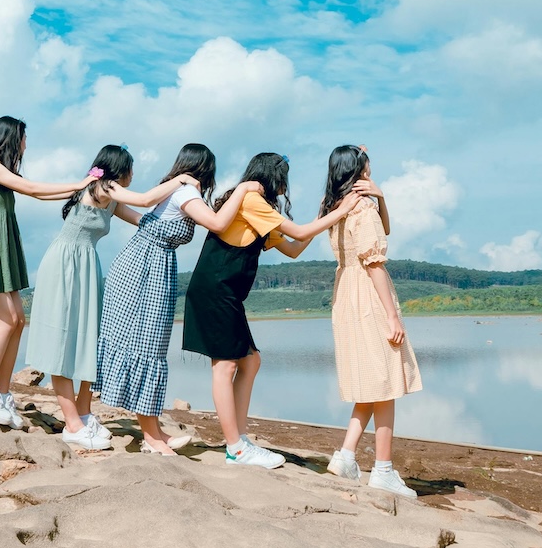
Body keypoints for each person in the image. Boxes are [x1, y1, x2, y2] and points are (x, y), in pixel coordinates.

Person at [183, 152, 360, 470]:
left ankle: (237, 438)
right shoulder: (251, 200)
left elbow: (293, 248)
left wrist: (324, 212)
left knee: (250, 361)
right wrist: (342, 209)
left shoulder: (258, 209)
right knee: (224, 367)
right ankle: (236, 448)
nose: (286, 184)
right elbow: (300, 233)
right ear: (273, 176)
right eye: (284, 177)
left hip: (226, 292)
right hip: (215, 289)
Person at [26, 144, 202, 451]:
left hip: (86, 266)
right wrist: (182, 180)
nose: (133, 174)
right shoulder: (106, 188)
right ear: (118, 171)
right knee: (64, 346)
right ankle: (72, 424)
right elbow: (146, 200)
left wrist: (179, 226)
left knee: (87, 344)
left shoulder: (109, 199)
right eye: (130, 169)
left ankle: (83, 412)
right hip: (65, 265)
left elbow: (145, 221)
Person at [96, 143, 262, 456]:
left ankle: (153, 430)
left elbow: (148, 217)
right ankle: (152, 437)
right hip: (146, 269)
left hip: (147, 265)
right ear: (205, 170)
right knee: (145, 346)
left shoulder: (176, 190)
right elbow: (217, 223)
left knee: (148, 347)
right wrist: (241, 190)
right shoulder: (186, 193)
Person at [0, 116, 90, 428]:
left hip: (1, 248)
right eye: (24, 137)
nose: (26, 143)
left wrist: (77, 192)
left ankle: (1, 392)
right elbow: (32, 189)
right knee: (6, 320)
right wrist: (78, 185)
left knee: (18, 320)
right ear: (12, 138)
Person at [322, 145, 422, 499]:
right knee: (385, 383)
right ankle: (382, 469)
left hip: (346, 293)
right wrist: (393, 316)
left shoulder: (337, 205)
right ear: (359, 169)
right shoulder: (361, 207)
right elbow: (375, 262)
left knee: (370, 378)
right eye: (368, 164)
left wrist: (382, 196)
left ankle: (347, 455)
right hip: (368, 294)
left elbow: (387, 230)